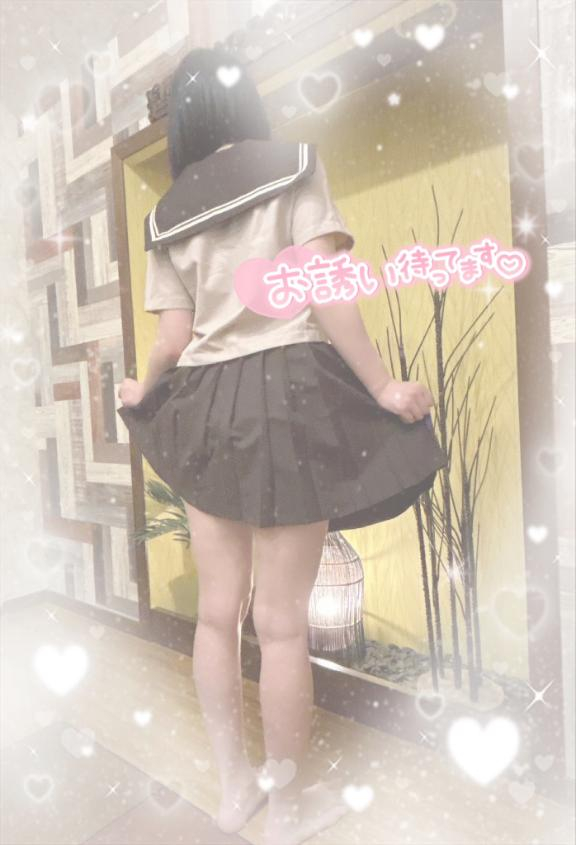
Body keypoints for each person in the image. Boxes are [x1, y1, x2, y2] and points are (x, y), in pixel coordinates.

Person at [117, 46, 448, 845]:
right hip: (286, 401)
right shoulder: (292, 164)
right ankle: (289, 810)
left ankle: (236, 791)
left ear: (184, 120)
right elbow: (323, 288)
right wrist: (382, 386)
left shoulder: (168, 212)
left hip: (203, 405)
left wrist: (139, 387)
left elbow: (174, 336)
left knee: (215, 615)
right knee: (283, 625)